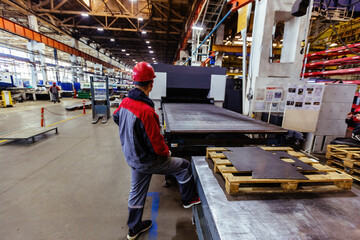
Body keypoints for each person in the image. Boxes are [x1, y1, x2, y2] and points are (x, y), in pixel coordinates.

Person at [113, 62, 201, 240]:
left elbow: (116, 118)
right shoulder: (147, 111)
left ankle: (134, 228)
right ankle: (188, 199)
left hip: (133, 157)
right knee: (183, 166)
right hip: (147, 160)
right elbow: (156, 144)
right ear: (151, 84)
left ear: (135, 82)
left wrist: (133, 137)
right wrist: (167, 152)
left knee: (136, 192)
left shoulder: (124, 102)